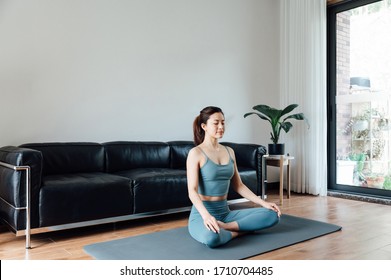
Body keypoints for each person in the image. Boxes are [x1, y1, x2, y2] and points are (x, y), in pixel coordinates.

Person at [187, 106, 281, 248]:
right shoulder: (196, 153)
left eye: (223, 122)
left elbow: (239, 185)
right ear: (204, 126)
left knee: (272, 214)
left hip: (225, 214)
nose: (221, 127)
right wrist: (206, 216)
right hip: (201, 215)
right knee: (212, 238)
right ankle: (239, 231)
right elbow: (192, 191)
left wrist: (263, 203)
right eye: (216, 123)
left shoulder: (229, 151)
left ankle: (227, 227)